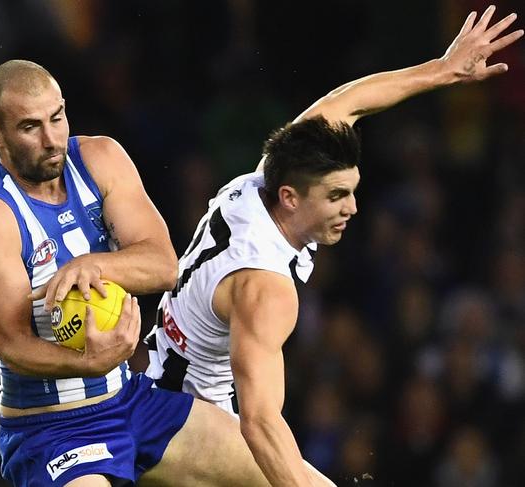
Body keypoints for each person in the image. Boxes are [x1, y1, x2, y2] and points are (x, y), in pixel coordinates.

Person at [145, 6, 523, 487]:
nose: (353, 209)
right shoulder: (266, 286)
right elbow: (259, 425)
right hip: (185, 423)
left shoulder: (272, 171)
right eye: (337, 196)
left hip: (164, 394)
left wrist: (443, 70)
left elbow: (346, 102)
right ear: (291, 198)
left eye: (353, 191)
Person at [0, 60, 315, 487]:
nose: (52, 139)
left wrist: (91, 265)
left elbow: (164, 266)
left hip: (131, 402)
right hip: (52, 431)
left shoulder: (100, 158)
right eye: (30, 127)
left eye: (57, 118)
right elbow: (11, 345)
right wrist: (90, 363)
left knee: (292, 477)